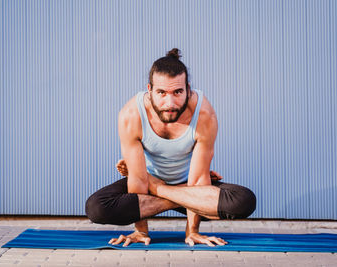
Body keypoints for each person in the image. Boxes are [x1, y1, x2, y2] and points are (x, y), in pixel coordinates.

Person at [85, 48, 256, 247]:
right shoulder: (131, 115)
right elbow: (138, 179)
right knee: (96, 207)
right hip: (145, 183)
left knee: (243, 201)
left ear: (188, 89)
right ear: (149, 90)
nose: (170, 103)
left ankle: (160, 189)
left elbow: (199, 178)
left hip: (179, 183)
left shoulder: (203, 114)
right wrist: (141, 231)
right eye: (161, 93)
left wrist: (192, 231)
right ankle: (165, 191)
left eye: (178, 92)